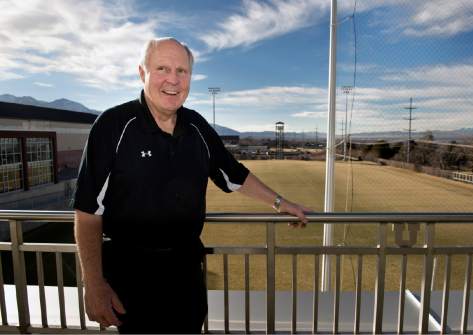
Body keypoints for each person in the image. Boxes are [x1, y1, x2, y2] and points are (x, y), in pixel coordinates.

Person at [73, 37, 309, 334]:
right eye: (162, 69)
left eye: (182, 71)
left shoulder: (196, 126)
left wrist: (281, 203)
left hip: (186, 272)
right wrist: (93, 284)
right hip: (132, 277)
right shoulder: (113, 125)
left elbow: (233, 175)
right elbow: (87, 213)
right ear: (142, 73)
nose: (173, 80)